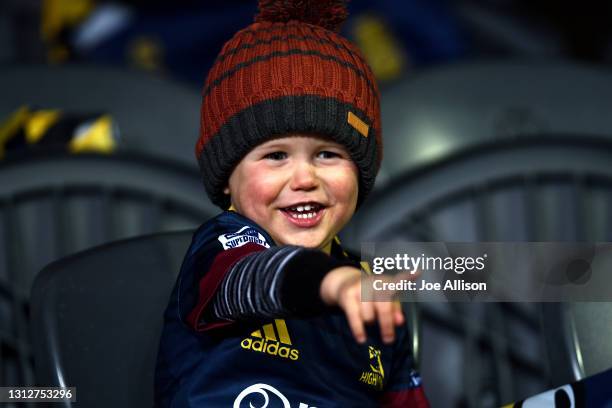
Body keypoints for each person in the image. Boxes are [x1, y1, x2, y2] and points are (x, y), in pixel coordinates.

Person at [154, 0, 429, 406]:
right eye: (276, 156)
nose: (304, 179)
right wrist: (330, 282)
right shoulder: (222, 250)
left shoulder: (369, 284)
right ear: (227, 179)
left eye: (328, 155)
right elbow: (255, 278)